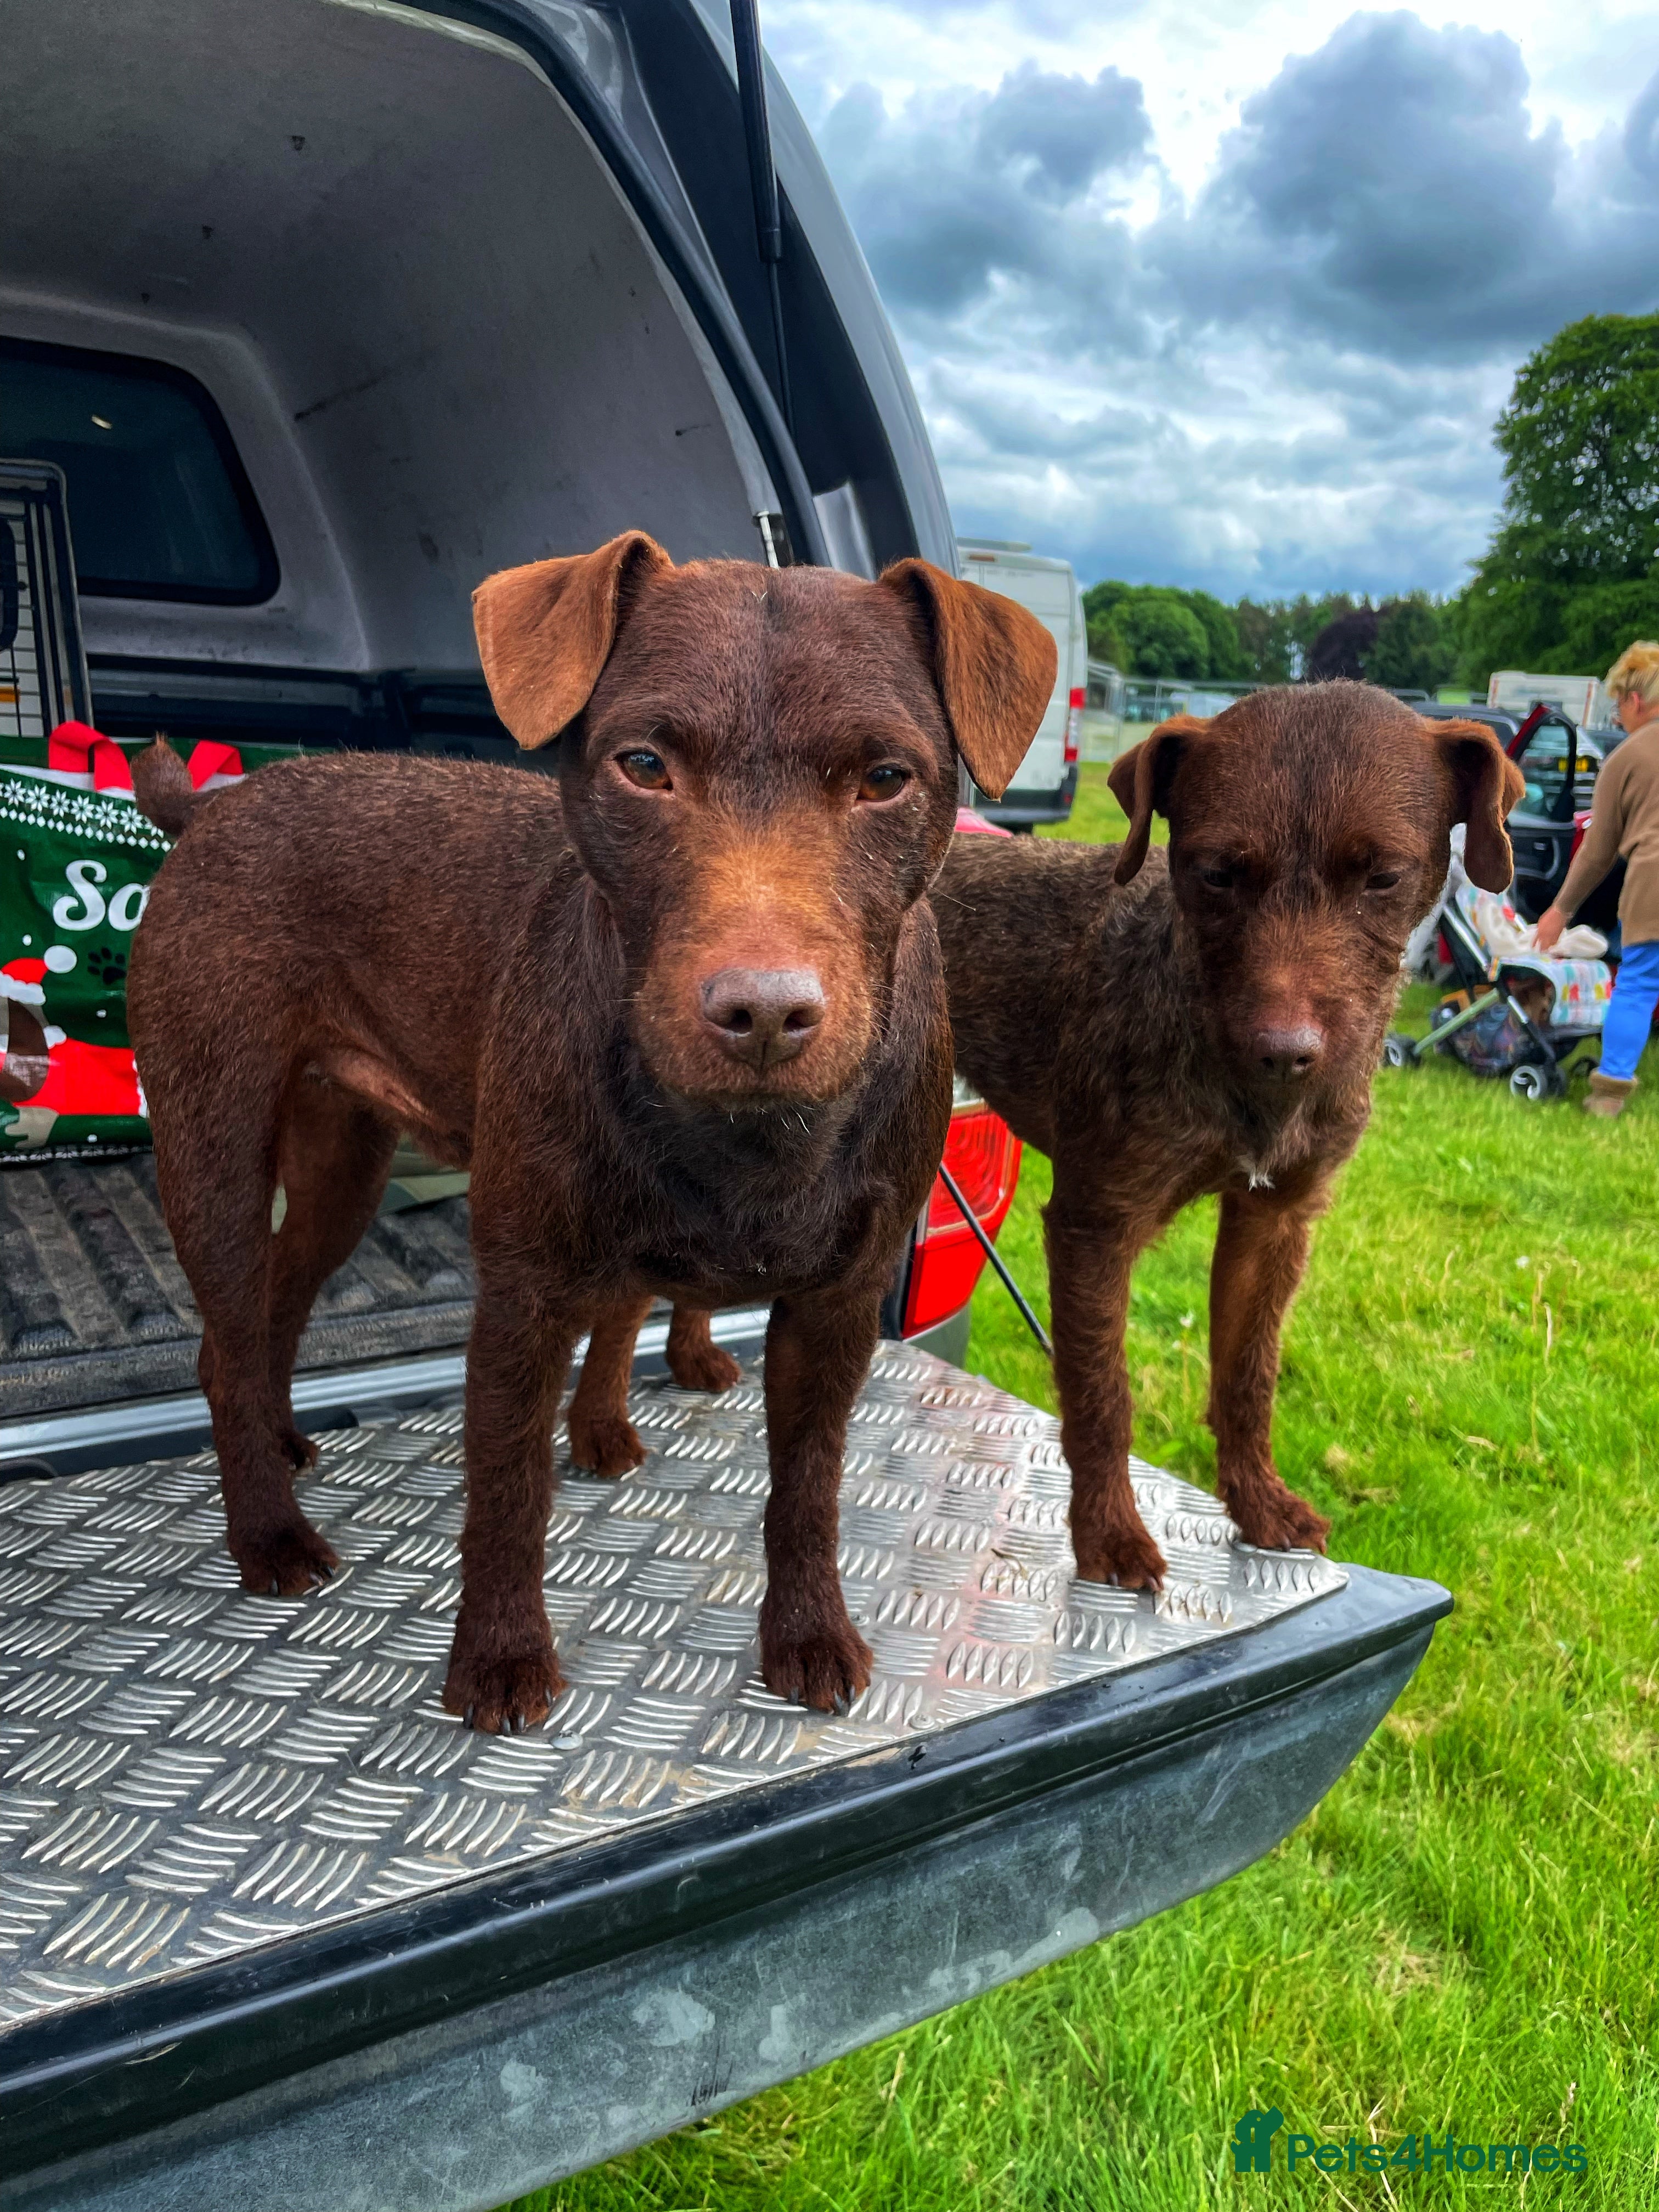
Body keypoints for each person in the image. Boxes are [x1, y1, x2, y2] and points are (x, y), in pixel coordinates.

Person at [1536, 642, 1659, 1118]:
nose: (1618, 716)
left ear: (1634, 700)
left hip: (1652, 882)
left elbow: (1597, 852)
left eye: (1618, 705)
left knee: (1639, 984)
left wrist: (1559, 911)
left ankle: (1609, 1095)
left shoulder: (1627, 758)